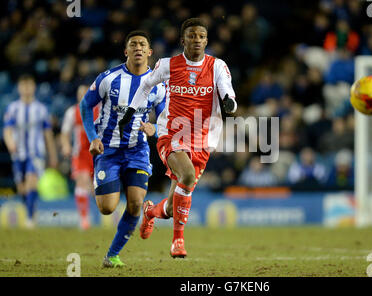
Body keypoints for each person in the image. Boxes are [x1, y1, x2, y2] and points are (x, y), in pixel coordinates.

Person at [119, 18, 238, 258]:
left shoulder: (217, 66)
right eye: (192, 36)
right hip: (171, 133)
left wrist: (229, 103)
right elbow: (145, 86)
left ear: (206, 41)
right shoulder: (167, 65)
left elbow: (228, 92)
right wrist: (130, 112)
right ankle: (178, 241)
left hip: (203, 140)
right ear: (183, 40)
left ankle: (151, 212)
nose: (197, 40)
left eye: (201, 37)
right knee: (187, 175)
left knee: (174, 207)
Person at [80, 30, 166, 267]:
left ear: (149, 52)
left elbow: (165, 119)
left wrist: (155, 130)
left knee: (136, 202)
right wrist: (92, 137)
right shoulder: (109, 78)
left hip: (137, 150)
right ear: (126, 51)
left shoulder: (158, 86)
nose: (138, 48)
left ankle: (112, 255)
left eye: (142, 45)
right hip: (108, 149)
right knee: (107, 208)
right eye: (133, 44)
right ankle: (103, 181)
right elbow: (85, 105)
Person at [2, 74, 58, 228]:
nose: (26, 89)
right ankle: (30, 211)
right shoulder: (13, 108)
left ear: (34, 87)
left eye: (29, 86)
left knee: (31, 181)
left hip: (36, 153)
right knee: (22, 188)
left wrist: (52, 155)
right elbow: (7, 130)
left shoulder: (41, 109)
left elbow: (48, 134)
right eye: (23, 86)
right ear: (19, 88)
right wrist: (10, 143)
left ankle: (29, 219)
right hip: (17, 153)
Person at [60, 84, 100, 230]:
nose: (83, 95)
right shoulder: (72, 112)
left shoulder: (100, 110)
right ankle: (84, 218)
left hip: (98, 154)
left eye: (86, 93)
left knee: (97, 188)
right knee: (82, 181)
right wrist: (65, 145)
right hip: (81, 154)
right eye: (80, 93)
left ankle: (101, 215)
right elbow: (64, 133)